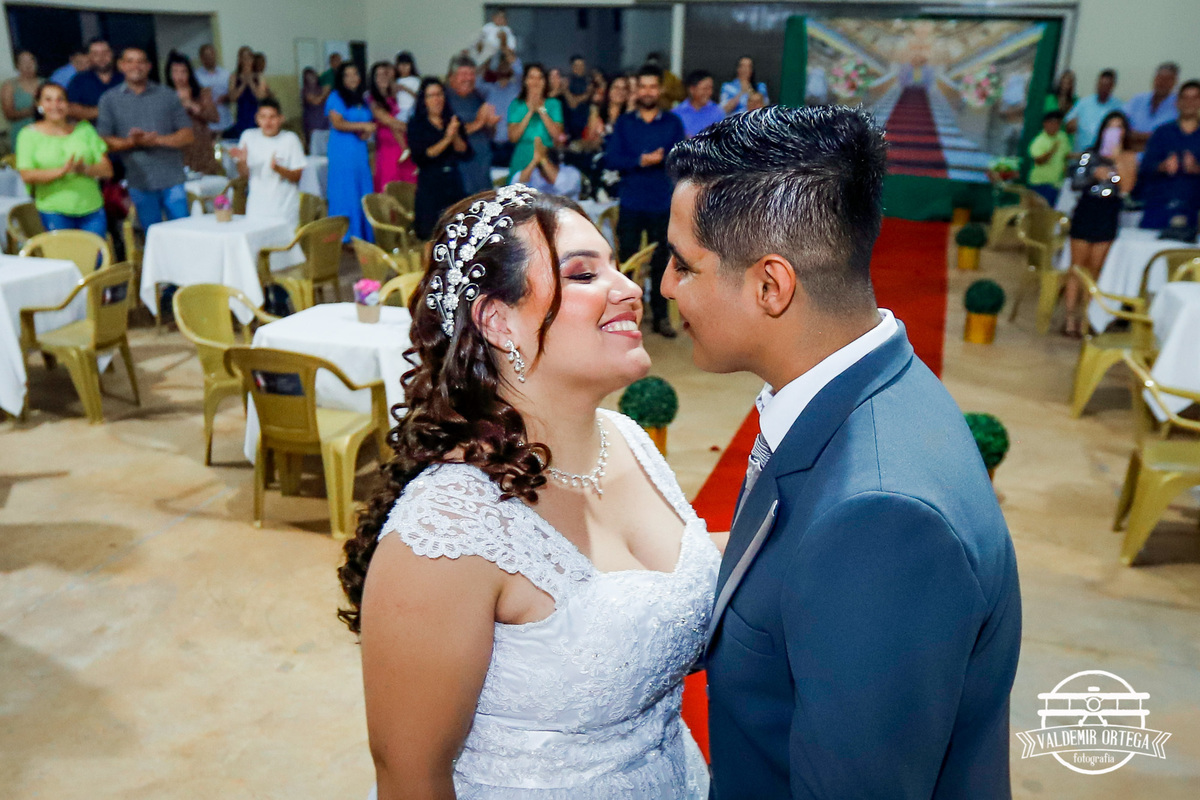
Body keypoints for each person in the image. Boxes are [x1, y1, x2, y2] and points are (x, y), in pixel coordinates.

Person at [662, 104, 1022, 799]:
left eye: (684, 265)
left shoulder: (881, 517)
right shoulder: (871, 382)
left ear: (770, 286)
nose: (666, 286)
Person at [337, 185, 718, 798]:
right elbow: (411, 776)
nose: (629, 288)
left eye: (617, 267)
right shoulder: (447, 534)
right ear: (498, 320)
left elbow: (670, 573)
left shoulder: (625, 439)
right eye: (585, 274)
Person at [605, 64, 685, 338]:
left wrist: (661, 159)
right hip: (631, 202)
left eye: (652, 86)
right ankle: (624, 315)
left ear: (659, 90)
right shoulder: (625, 123)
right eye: (643, 87)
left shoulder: (672, 122)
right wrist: (640, 160)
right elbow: (611, 158)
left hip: (662, 202)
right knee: (626, 261)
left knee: (663, 262)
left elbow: (681, 159)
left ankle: (661, 317)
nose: (648, 92)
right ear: (636, 90)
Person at [97, 47, 193, 230]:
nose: (136, 66)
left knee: (184, 231)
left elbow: (188, 135)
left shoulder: (167, 95)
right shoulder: (109, 99)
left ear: (149, 66)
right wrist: (132, 142)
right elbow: (103, 142)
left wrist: (156, 140)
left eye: (141, 61)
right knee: (152, 234)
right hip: (138, 181)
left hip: (173, 179)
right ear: (121, 65)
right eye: (130, 61)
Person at [1065, 111, 1138, 337]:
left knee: (1095, 269)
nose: (1114, 132)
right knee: (1077, 267)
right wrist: (1093, 175)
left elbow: (1126, 187)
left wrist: (1115, 164)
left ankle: (1087, 318)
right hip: (1087, 209)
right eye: (1110, 127)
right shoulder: (1089, 154)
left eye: (1119, 127)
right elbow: (1076, 182)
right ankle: (1070, 318)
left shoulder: (1128, 157)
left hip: (1108, 212)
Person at [16, 82, 113, 236]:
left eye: (60, 99)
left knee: (95, 252)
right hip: (54, 210)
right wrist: (62, 171)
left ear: (68, 104)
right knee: (64, 252)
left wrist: (83, 169)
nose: (55, 105)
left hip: (92, 208)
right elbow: (27, 175)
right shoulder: (28, 135)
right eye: (48, 100)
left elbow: (107, 170)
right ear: (39, 104)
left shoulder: (85, 130)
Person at [408, 77, 472, 240]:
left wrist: (454, 133)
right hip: (430, 184)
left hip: (453, 181)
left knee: (457, 232)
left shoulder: (453, 120)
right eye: (432, 95)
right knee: (431, 234)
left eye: (440, 94)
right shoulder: (417, 124)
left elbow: (464, 152)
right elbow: (424, 155)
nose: (437, 99)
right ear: (424, 100)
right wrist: (447, 138)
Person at [229, 98, 307, 228]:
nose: (268, 122)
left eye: (272, 117)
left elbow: (297, 176)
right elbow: (243, 175)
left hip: (284, 210)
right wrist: (242, 161)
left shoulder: (290, 139)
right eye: (263, 117)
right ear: (257, 118)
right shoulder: (248, 136)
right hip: (256, 209)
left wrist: (278, 169)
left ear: (281, 118)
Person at [1138, 80, 1200, 231]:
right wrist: (1163, 166)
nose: (1189, 103)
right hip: (1159, 207)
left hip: (1193, 209)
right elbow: (1145, 167)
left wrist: (1196, 168)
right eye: (1185, 98)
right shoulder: (1162, 132)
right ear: (1177, 102)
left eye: (1195, 98)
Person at [325, 62, 375, 242]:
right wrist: (363, 126)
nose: (352, 78)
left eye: (355, 74)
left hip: (359, 150)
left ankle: (363, 234)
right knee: (346, 191)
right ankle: (346, 235)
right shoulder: (335, 97)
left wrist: (366, 131)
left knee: (362, 189)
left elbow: (367, 123)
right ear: (341, 78)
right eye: (347, 75)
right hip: (342, 151)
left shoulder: (362, 98)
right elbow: (338, 123)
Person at [445, 57, 498, 195]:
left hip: (482, 171)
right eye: (463, 74)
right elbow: (446, 133)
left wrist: (491, 124)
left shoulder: (477, 96)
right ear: (451, 76)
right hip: (459, 175)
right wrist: (478, 123)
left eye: (472, 74)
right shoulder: (443, 99)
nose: (468, 78)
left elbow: (488, 133)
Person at [165, 51, 221, 175]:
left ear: (189, 73)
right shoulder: (165, 96)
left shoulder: (202, 93)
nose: (179, 76)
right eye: (175, 72)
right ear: (169, 74)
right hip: (178, 148)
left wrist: (192, 105)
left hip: (201, 146)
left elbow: (215, 117)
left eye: (183, 72)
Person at [507, 63, 563, 181]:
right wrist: (530, 111)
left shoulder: (554, 104)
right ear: (525, 81)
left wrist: (541, 110)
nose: (536, 82)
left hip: (546, 158)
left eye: (540, 78)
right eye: (531, 77)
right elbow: (513, 137)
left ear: (545, 81)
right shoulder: (516, 104)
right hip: (522, 157)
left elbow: (558, 136)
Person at [367, 61, 416, 190]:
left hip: (403, 145)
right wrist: (415, 128)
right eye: (378, 75)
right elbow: (388, 121)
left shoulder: (394, 97)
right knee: (390, 185)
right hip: (388, 149)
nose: (382, 77)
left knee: (409, 186)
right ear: (373, 79)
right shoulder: (372, 99)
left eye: (385, 74)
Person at [1065, 69, 1123, 156]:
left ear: (1112, 86)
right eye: (1101, 84)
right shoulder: (1084, 103)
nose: (1103, 88)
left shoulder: (1118, 107)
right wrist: (1072, 125)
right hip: (1081, 153)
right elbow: (1068, 124)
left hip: (1104, 156)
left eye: (1106, 85)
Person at [479, 52, 522, 167]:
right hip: (492, 144)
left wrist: (507, 52)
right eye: (501, 66)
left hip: (512, 145)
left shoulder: (516, 89)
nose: (503, 68)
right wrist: (486, 60)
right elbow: (476, 82)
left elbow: (520, 72)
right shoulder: (489, 89)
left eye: (506, 66)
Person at [1126, 62, 1180, 150]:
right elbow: (1121, 128)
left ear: (1174, 82)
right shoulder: (1137, 100)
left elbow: (1171, 138)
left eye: (1167, 80)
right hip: (1129, 152)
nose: (1162, 83)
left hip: (1161, 155)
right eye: (1159, 78)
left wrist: (1138, 137)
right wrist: (1152, 137)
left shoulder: (1178, 105)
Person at [67, 38, 122, 122]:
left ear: (112, 53)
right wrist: (107, 110)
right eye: (95, 54)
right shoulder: (78, 80)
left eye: (105, 52)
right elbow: (72, 109)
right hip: (90, 129)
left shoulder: (124, 79)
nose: (101, 57)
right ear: (89, 56)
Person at [1027, 111, 1071, 206]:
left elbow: (1066, 155)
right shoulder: (1039, 140)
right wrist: (1052, 150)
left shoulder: (1062, 136)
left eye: (1057, 123)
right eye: (1052, 123)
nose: (1054, 126)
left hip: (1056, 183)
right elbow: (1039, 161)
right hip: (1040, 183)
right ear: (1045, 124)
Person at [515, 138, 582, 199]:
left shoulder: (572, 173)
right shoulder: (534, 172)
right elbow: (517, 186)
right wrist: (534, 160)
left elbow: (563, 188)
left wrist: (543, 159)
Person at [226, 46, 268, 139]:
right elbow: (232, 98)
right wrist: (243, 84)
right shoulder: (234, 77)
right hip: (241, 116)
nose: (246, 61)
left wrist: (251, 82)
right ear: (239, 60)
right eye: (243, 58)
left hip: (256, 115)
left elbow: (261, 97)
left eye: (249, 58)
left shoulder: (259, 76)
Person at [673, 69, 724, 138]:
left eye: (711, 88)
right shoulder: (677, 113)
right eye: (705, 89)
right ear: (692, 89)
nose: (709, 92)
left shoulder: (717, 112)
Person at [194, 44, 232, 135]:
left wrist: (227, 97)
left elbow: (234, 96)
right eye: (207, 55)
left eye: (212, 54)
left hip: (226, 122)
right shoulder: (196, 76)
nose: (210, 58)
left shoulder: (226, 74)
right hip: (206, 126)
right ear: (201, 58)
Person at [2, 50, 39, 142]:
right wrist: (34, 110)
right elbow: (9, 114)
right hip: (21, 133)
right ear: (17, 65)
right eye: (24, 62)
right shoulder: (9, 86)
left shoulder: (45, 83)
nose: (28, 65)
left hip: (45, 132)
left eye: (31, 61)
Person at [301, 67, 330, 153]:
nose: (312, 79)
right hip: (313, 124)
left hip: (325, 123)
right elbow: (316, 101)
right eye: (309, 77)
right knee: (314, 147)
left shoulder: (321, 88)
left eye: (313, 76)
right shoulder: (305, 91)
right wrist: (325, 92)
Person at [563, 55, 592, 140]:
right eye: (577, 65)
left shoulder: (589, 81)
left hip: (584, 124)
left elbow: (587, 97)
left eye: (582, 65)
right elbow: (572, 104)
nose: (580, 68)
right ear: (572, 66)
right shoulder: (567, 81)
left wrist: (572, 97)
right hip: (568, 124)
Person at [394, 52, 420, 122]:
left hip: (411, 109)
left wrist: (405, 89)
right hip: (398, 109)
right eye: (401, 65)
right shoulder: (395, 80)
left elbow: (418, 96)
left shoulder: (415, 80)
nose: (404, 67)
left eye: (406, 65)